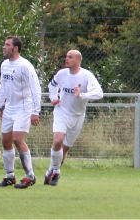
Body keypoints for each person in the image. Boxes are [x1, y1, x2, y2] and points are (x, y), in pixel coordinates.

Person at [44, 50, 103, 186]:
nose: (67, 59)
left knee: (64, 149)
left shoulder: (86, 75)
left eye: (70, 57)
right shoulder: (61, 73)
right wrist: (53, 98)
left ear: (78, 60)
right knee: (58, 140)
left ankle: (50, 171)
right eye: (66, 56)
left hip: (78, 116)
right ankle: (56, 172)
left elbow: (99, 93)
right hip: (61, 112)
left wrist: (82, 95)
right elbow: (52, 86)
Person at [0, 36, 41, 189]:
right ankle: (10, 176)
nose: (4, 47)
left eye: (7, 45)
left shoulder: (25, 66)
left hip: (24, 108)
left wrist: (35, 111)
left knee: (17, 139)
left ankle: (30, 176)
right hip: (10, 108)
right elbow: (3, 87)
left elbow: (35, 88)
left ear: (15, 48)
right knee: (6, 141)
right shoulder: (4, 65)